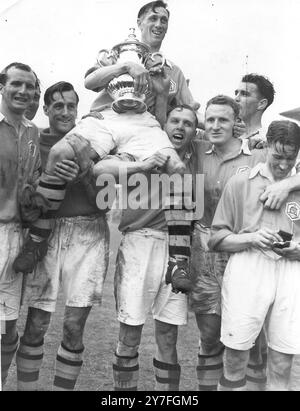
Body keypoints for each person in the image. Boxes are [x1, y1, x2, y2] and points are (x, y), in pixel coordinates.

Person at [13, 1, 198, 291]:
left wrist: (162, 95)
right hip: (106, 120)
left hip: (144, 126)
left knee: (179, 170)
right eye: (153, 17)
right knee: (61, 152)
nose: (160, 23)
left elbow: (178, 116)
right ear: (139, 21)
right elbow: (89, 82)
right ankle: (37, 239)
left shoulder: (172, 69)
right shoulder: (118, 53)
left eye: (165, 19)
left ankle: (178, 261)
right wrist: (124, 65)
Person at [13, 81, 109, 391]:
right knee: (36, 325)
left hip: (90, 231)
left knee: (72, 327)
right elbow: (25, 196)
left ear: (78, 108)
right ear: (46, 109)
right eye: (58, 106)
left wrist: (84, 176)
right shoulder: (35, 140)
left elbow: (106, 202)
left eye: (71, 105)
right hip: (48, 232)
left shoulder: (92, 140)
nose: (65, 112)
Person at [94, 104, 198, 390]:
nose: (180, 127)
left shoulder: (197, 153)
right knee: (130, 334)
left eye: (188, 123)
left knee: (167, 336)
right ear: (163, 126)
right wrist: (140, 165)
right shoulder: (142, 146)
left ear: (194, 131)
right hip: (139, 242)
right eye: (174, 120)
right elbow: (99, 167)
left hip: (179, 248)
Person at [209, 120, 300, 391]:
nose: (284, 164)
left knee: (283, 362)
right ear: (267, 147)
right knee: (236, 357)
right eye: (278, 156)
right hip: (248, 266)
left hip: (291, 271)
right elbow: (216, 238)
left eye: (291, 158)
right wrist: (251, 237)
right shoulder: (240, 183)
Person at [189, 95, 269, 391]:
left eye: (223, 119)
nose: (215, 125)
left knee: (251, 337)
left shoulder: (259, 156)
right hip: (206, 248)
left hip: (246, 250)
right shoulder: (196, 151)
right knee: (209, 336)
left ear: (236, 123)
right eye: (210, 119)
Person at [0, 62, 41, 387]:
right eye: (17, 84)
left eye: (29, 86)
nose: (23, 92)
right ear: (2, 86)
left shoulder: (32, 132)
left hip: (16, 235)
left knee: (7, 327)